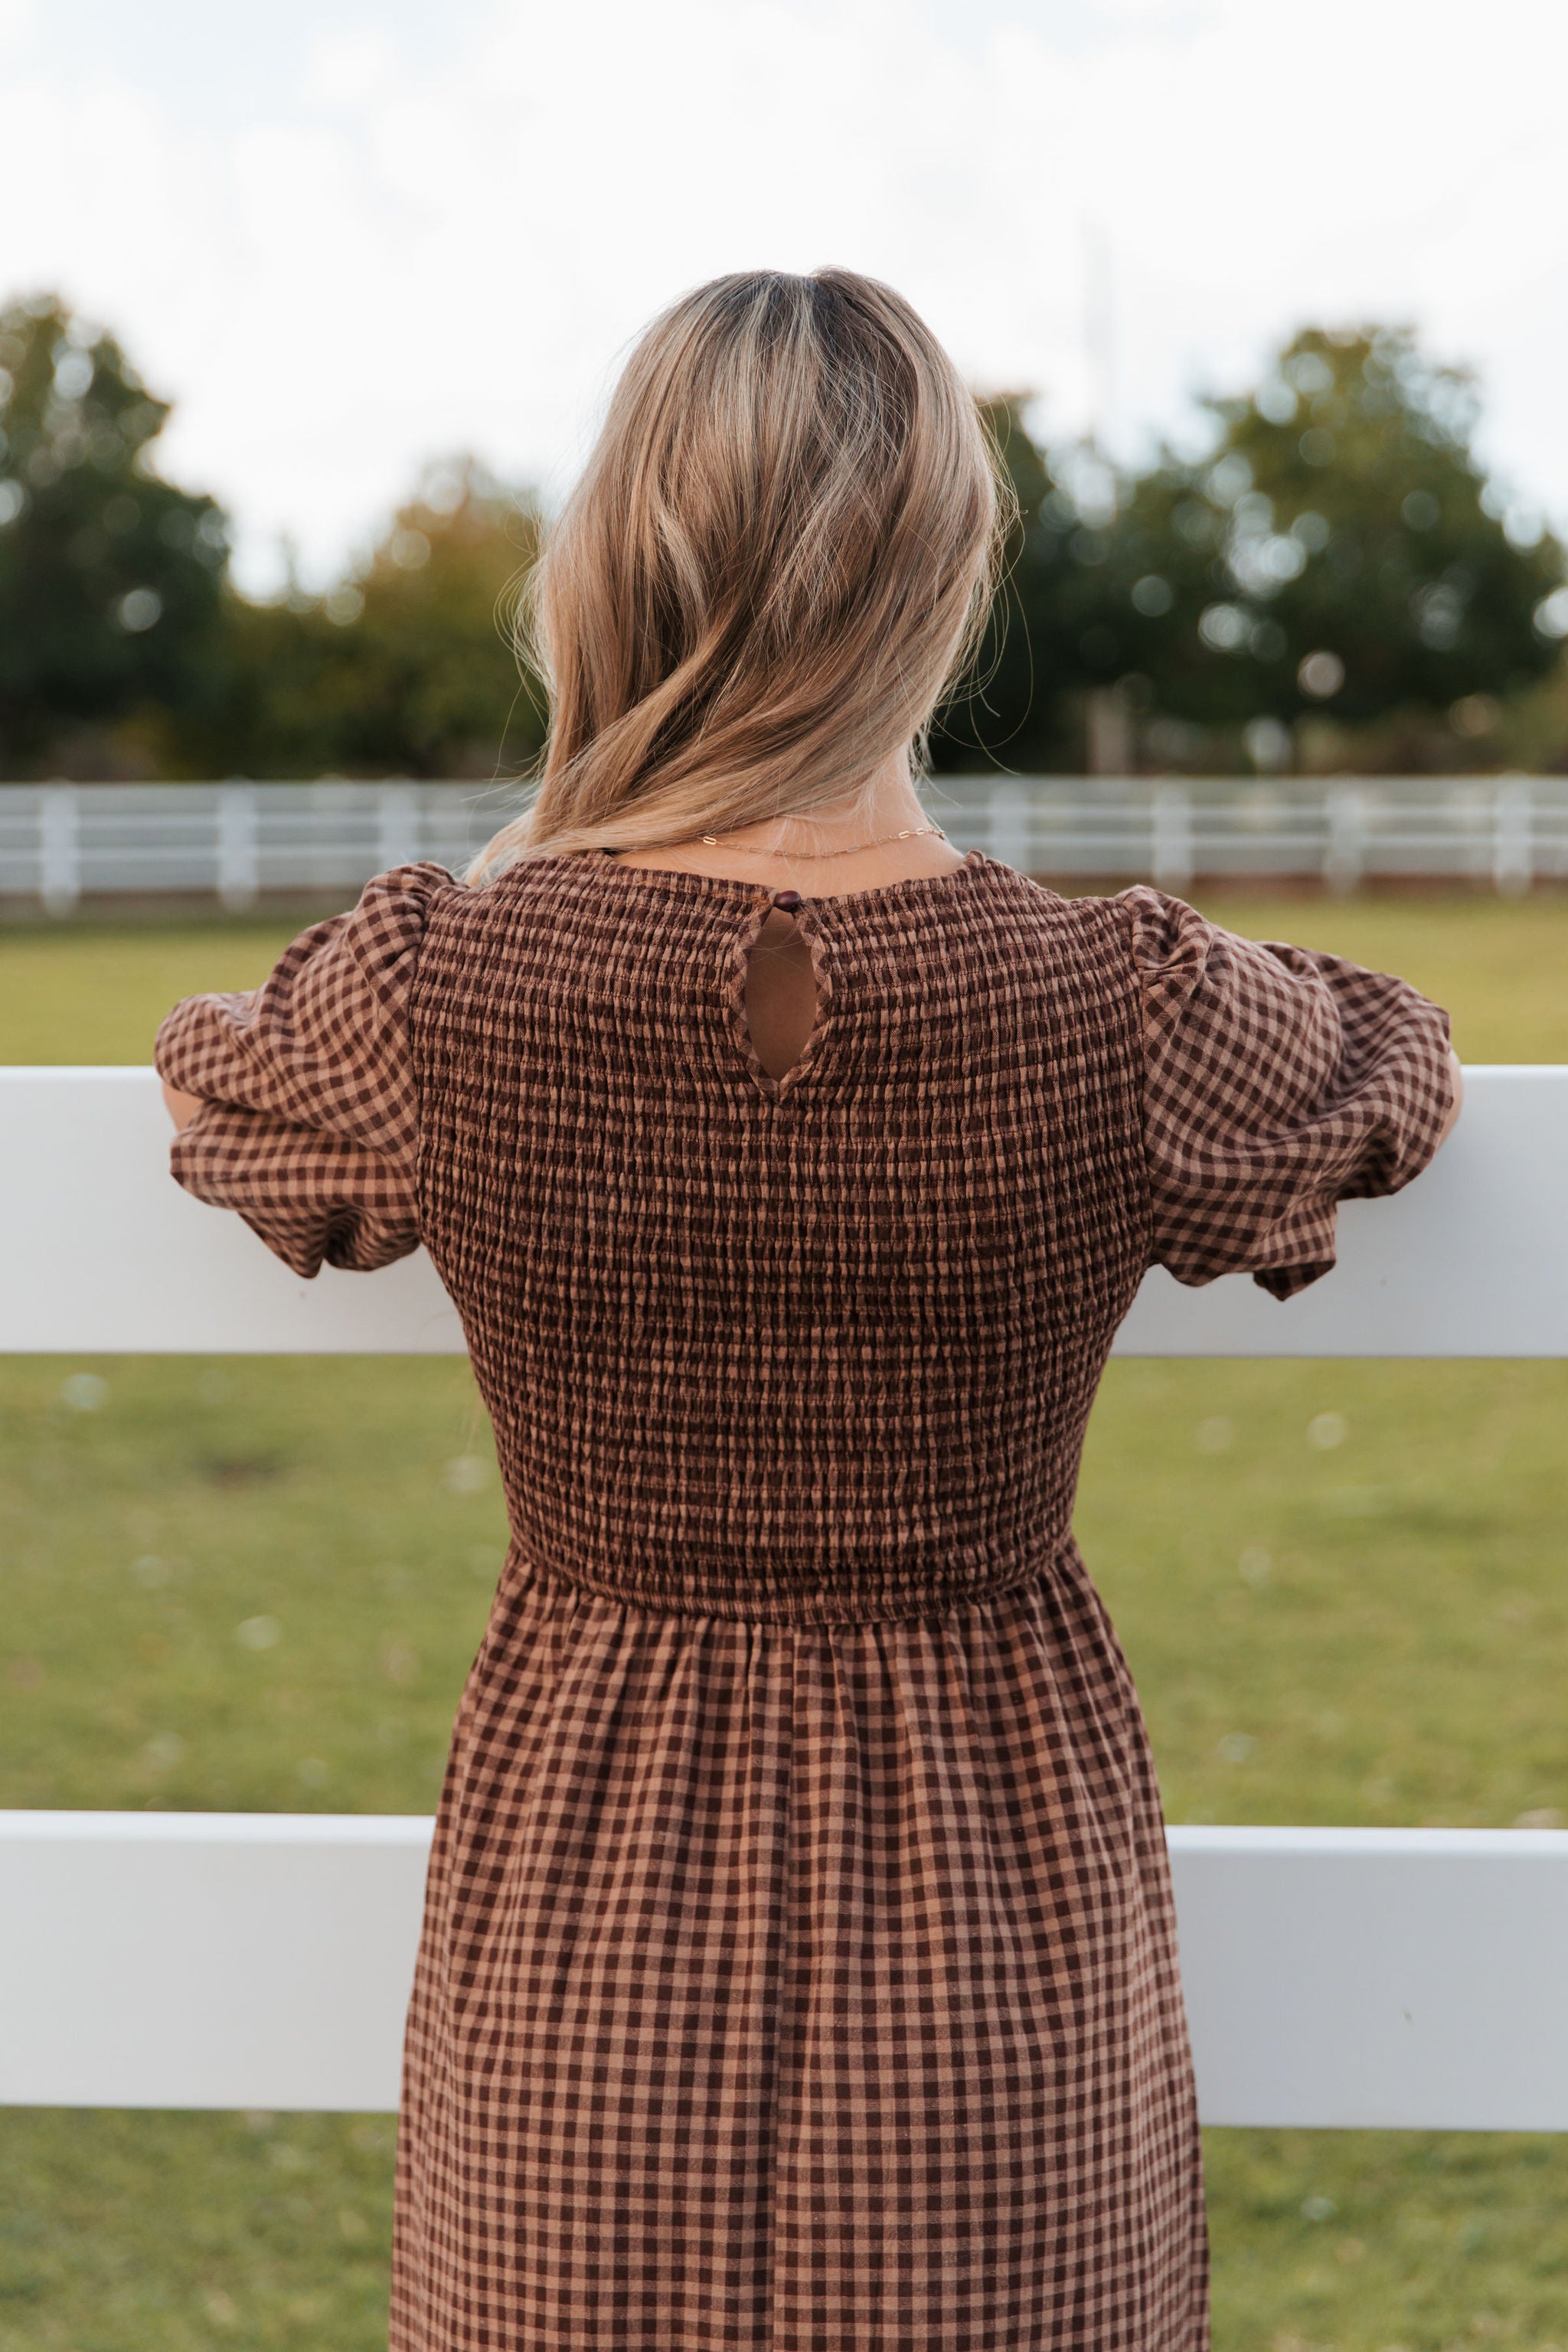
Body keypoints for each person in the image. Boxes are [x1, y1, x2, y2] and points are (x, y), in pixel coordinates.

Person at [155, 270, 1462, 2352]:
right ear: (944, 581)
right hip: (995, 1931)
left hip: (583, 1938)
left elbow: (230, 1093)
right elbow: (1382, 1073)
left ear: (611, 575)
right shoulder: (1121, 1007)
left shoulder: (434, 995)